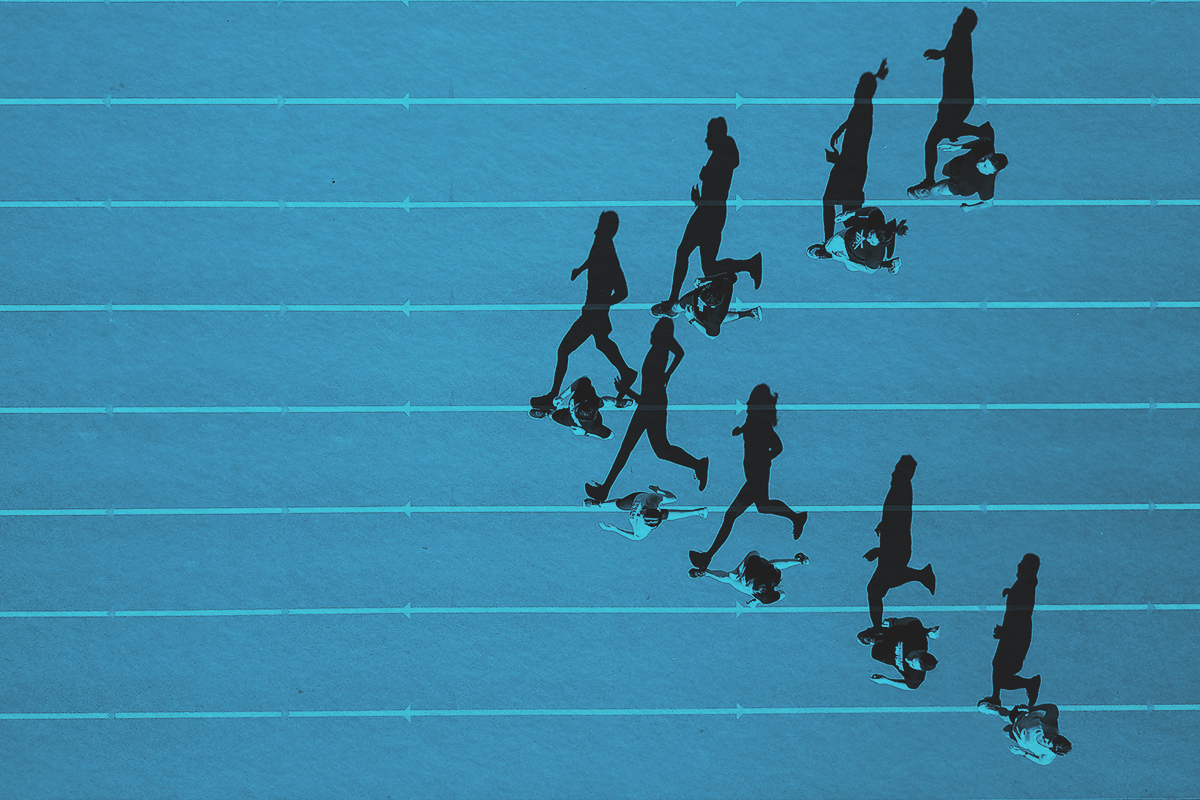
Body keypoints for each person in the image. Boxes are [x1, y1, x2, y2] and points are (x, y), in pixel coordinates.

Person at [585, 319, 709, 503]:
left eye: (655, 331)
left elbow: (648, 399)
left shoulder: (658, 353)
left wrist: (625, 390)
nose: (651, 333)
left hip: (651, 407)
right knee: (659, 450)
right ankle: (698, 464)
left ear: (660, 334)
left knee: (637, 449)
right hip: (651, 405)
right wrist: (668, 374)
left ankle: (605, 490)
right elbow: (680, 353)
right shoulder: (661, 348)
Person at [689, 384, 808, 571]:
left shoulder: (761, 425)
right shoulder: (752, 421)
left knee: (731, 515)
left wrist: (763, 459)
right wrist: (741, 430)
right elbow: (751, 430)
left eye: (751, 402)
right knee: (762, 506)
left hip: (757, 476)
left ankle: (707, 556)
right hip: (754, 474)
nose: (748, 404)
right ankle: (796, 518)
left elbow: (778, 447)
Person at [651, 118, 762, 317]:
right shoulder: (722, 153)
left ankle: (673, 300)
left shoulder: (723, 155)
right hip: (710, 212)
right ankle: (749, 264)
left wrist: (701, 198)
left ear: (717, 135)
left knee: (686, 253)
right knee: (707, 266)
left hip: (708, 214)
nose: (706, 140)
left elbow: (717, 184)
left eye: (709, 135)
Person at [532, 211, 638, 406]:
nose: (598, 228)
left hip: (593, 315)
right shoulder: (600, 243)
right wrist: (580, 270)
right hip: (593, 312)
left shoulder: (609, 254)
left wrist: (602, 305)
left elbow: (623, 292)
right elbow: (593, 259)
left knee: (564, 350)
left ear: (608, 228)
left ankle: (553, 396)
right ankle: (626, 371)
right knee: (602, 343)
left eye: (602, 224)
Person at [906, 7, 1007, 211]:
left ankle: (929, 182)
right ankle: (930, 177)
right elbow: (959, 57)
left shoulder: (961, 40)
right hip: (957, 103)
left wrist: (969, 207)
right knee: (940, 138)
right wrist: (943, 54)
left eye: (959, 22)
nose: (955, 24)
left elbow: (988, 202)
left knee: (935, 139)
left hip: (956, 103)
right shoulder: (960, 40)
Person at [813, 60, 888, 249]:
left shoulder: (863, 110)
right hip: (852, 167)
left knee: (835, 205)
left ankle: (834, 241)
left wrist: (837, 159)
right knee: (845, 212)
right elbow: (853, 120)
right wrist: (841, 129)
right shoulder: (861, 107)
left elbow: (856, 144)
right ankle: (838, 241)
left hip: (850, 168)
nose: (856, 90)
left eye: (859, 87)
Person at [864, 455, 936, 628]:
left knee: (875, 589)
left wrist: (879, 551)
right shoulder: (899, 489)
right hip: (893, 549)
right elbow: (894, 518)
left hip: (895, 551)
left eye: (898, 470)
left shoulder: (901, 490)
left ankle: (922, 575)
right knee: (877, 588)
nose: (893, 473)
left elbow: (898, 523)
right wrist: (883, 525)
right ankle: (922, 575)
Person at [978, 554, 1042, 710]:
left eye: (1023, 565)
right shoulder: (1024, 582)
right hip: (1013, 633)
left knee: (1002, 673)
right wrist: (1010, 592)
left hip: (1016, 636)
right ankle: (996, 696)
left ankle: (1030, 683)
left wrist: (1005, 632)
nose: (1019, 566)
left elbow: (1020, 616)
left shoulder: (1026, 584)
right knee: (998, 665)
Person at [655, 272, 762, 338]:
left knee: (714, 321)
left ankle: (750, 313)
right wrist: (705, 280)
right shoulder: (723, 283)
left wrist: (692, 319)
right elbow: (731, 275)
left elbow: (711, 336)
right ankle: (671, 312)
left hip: (709, 316)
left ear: (710, 306)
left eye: (701, 300)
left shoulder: (713, 318)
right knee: (678, 305)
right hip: (716, 302)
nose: (699, 299)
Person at [688, 550, 809, 606]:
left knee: (729, 579)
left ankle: (706, 573)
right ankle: (800, 561)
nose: (746, 584)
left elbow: (782, 594)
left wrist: (757, 600)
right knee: (774, 564)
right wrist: (738, 570)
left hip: (761, 589)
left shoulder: (765, 598)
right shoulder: (756, 566)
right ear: (755, 578)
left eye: (749, 586)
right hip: (756, 569)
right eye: (749, 583)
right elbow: (753, 552)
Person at [586, 485, 707, 540]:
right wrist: (659, 490)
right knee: (619, 503)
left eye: (641, 515)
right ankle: (599, 504)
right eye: (642, 512)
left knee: (620, 505)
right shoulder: (652, 499)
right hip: (637, 497)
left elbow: (635, 537)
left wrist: (615, 529)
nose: (639, 513)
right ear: (653, 509)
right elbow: (673, 498)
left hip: (636, 502)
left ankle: (698, 512)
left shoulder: (641, 527)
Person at [808, 207, 906, 273]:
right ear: (876, 228)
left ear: (879, 244)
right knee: (828, 247)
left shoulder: (877, 254)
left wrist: (845, 260)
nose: (867, 238)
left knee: (851, 268)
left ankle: (889, 264)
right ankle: (826, 252)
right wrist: (848, 214)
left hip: (852, 257)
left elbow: (869, 270)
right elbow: (873, 210)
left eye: (872, 242)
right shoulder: (877, 220)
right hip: (846, 236)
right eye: (870, 234)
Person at [529, 376, 630, 440]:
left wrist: (585, 433)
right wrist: (561, 396)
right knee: (603, 401)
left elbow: (610, 436)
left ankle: (547, 414)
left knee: (554, 416)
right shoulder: (585, 397)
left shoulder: (591, 425)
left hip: (573, 422)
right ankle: (618, 402)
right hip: (582, 415)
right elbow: (582, 380)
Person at [859, 616, 940, 690]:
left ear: (919, 670)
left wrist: (886, 681)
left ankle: (875, 643)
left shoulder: (916, 676)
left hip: (889, 657)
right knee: (884, 631)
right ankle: (875, 635)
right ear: (920, 651)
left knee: (875, 654)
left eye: (912, 665)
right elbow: (913, 621)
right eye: (912, 657)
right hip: (893, 636)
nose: (907, 660)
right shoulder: (918, 639)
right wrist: (894, 622)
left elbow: (910, 686)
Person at [979, 702, 1072, 765]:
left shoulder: (1048, 756)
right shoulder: (1049, 724)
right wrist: (1031, 708)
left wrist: (1023, 753)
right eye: (1051, 737)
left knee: (1006, 731)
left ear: (1051, 749)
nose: (1046, 738)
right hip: (1023, 719)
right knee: (1004, 714)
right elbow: (1052, 707)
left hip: (1020, 736)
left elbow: (1041, 761)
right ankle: (995, 709)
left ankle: (1011, 727)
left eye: (1047, 742)